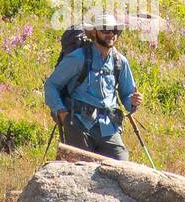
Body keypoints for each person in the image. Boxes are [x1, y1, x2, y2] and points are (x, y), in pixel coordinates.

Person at [44, 15, 142, 161]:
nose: (111, 34)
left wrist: (134, 101)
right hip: (78, 123)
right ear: (94, 33)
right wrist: (61, 112)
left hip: (109, 127)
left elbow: (128, 96)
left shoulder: (120, 62)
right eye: (105, 30)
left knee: (122, 164)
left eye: (114, 30)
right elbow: (51, 85)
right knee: (79, 168)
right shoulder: (78, 57)